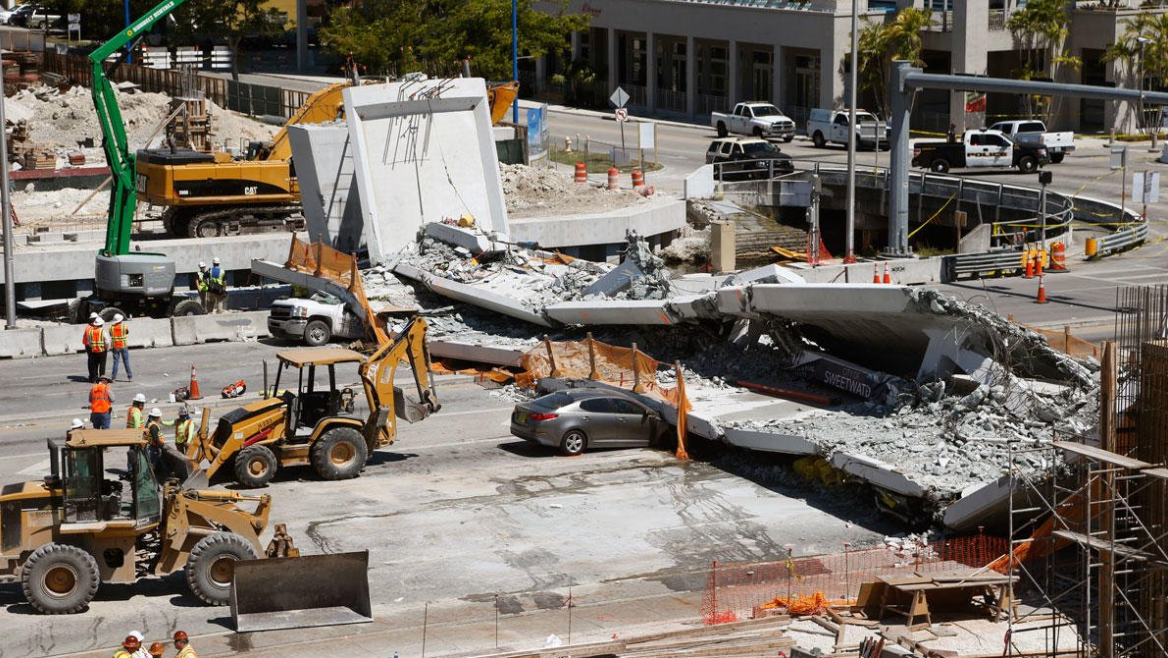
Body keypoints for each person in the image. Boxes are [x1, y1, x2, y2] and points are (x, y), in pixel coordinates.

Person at [82, 316, 108, 383]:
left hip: (94, 351)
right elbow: (107, 342)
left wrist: (92, 347)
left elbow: (89, 342)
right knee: (102, 365)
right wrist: (106, 347)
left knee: (95, 365)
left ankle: (95, 378)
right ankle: (101, 379)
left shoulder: (90, 331)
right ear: (101, 324)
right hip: (102, 351)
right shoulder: (103, 332)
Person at [126, 393, 147, 471]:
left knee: (131, 453)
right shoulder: (136, 412)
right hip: (136, 437)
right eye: (143, 403)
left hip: (130, 435)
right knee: (136, 454)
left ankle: (130, 470)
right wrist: (139, 437)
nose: (143, 405)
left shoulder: (131, 409)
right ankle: (133, 471)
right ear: (140, 403)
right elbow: (137, 426)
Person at [144, 408, 167, 478]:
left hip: (153, 446)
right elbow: (156, 438)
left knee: (154, 462)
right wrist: (162, 446)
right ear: (157, 417)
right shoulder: (153, 426)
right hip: (154, 447)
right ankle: (150, 478)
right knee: (152, 464)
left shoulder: (149, 423)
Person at [109, 314, 133, 382]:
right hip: (123, 346)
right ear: (121, 320)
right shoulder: (124, 327)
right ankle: (129, 377)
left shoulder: (111, 328)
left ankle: (113, 378)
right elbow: (127, 332)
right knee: (126, 361)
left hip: (115, 346)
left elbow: (111, 334)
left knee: (116, 362)